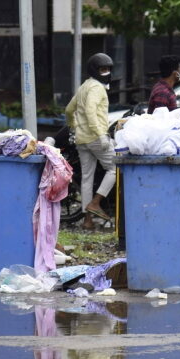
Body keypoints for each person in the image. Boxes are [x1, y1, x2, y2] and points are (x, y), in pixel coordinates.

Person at [65, 53, 117, 230]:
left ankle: (88, 221)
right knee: (115, 168)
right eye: (103, 69)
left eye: (108, 69)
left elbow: (69, 109)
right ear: (94, 70)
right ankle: (96, 202)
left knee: (87, 178)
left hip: (82, 139)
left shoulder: (84, 86)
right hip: (96, 138)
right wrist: (101, 134)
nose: (106, 72)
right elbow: (89, 111)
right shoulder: (97, 88)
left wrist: (73, 126)